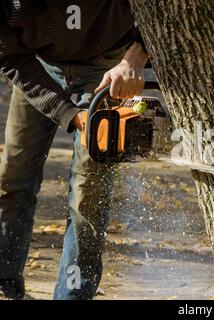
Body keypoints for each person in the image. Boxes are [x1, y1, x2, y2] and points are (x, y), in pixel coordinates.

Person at [0, 0, 149, 300]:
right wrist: (70, 114)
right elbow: (10, 56)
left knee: (87, 193)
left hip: (107, 67)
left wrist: (135, 57)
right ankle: (4, 283)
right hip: (34, 65)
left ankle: (72, 295)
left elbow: (168, 12)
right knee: (13, 176)